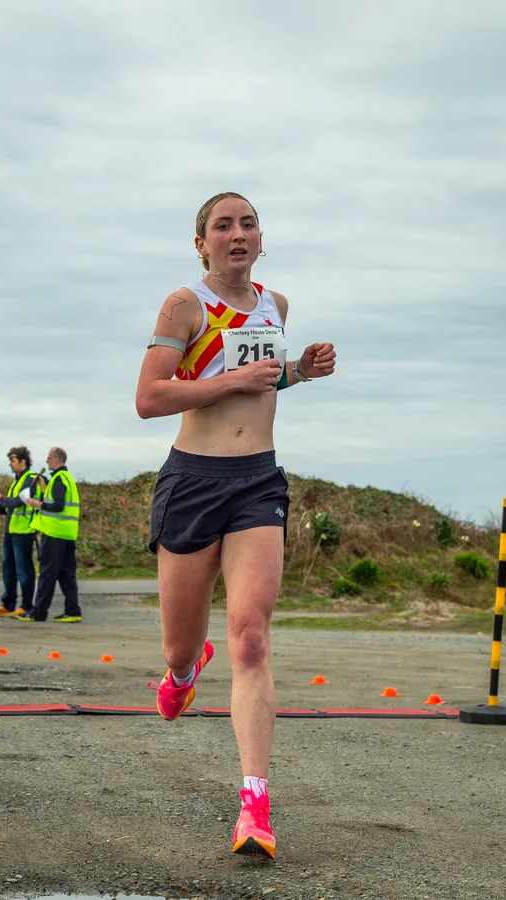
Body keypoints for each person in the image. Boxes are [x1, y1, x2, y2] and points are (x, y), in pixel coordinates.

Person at [135, 192, 336, 860]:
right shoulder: (183, 305)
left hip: (258, 482)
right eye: (224, 225)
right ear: (202, 244)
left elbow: (264, 382)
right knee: (178, 649)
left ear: (261, 238)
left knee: (251, 637)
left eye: (248, 223)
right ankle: (186, 673)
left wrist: (300, 371)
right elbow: (150, 398)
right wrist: (233, 378)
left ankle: (255, 807)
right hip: (193, 481)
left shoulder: (277, 304)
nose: (238, 233)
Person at [15, 447, 82, 623]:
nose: (46, 460)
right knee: (67, 574)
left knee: (47, 574)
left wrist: (38, 504)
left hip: (54, 533)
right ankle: (73, 611)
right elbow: (59, 502)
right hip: (67, 533)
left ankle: (38, 612)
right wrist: (44, 490)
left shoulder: (59, 479)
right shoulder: (67, 478)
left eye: (49, 457)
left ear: (57, 459)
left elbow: (58, 505)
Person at [0, 446, 43, 618]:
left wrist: (2, 498)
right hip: (11, 531)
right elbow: (9, 509)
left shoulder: (31, 480)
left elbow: (19, 502)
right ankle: (8, 604)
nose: (10, 464)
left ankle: (26, 606)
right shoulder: (17, 482)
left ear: (23, 461)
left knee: (24, 570)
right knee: (8, 568)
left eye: (13, 460)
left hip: (24, 532)